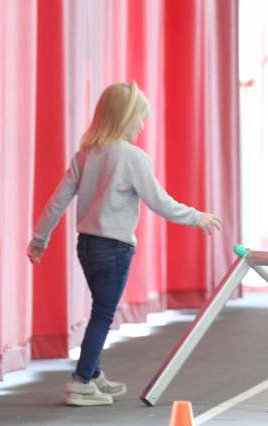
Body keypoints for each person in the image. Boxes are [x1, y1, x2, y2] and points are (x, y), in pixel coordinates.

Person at [27, 81, 222, 406]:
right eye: (139, 118)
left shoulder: (86, 154)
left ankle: (93, 372)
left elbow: (58, 201)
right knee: (103, 313)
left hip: (86, 246)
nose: (142, 125)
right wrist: (195, 217)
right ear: (124, 118)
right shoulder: (132, 157)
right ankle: (81, 382)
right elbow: (159, 201)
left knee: (99, 312)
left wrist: (39, 239)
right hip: (114, 249)